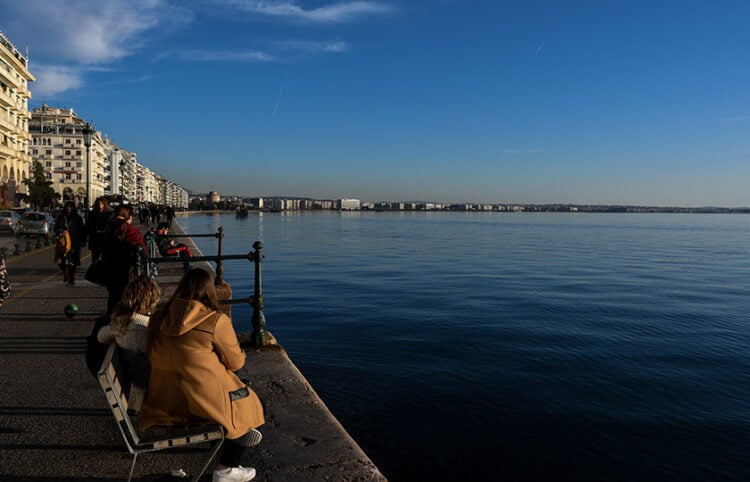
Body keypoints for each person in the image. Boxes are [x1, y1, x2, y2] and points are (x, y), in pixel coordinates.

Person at [139, 268, 264, 482]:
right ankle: (226, 468)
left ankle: (224, 452)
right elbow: (235, 363)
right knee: (252, 404)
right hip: (197, 404)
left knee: (233, 399)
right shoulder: (215, 320)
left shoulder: (159, 318)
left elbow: (151, 354)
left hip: (164, 402)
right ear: (209, 291)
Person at [96, 275, 161, 412]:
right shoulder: (144, 327)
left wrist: (113, 328)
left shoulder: (122, 324)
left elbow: (101, 337)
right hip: (156, 384)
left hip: (137, 379)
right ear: (152, 300)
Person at [101, 205, 148, 314]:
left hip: (110, 267)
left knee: (113, 297)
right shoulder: (130, 230)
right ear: (129, 217)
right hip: (127, 269)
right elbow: (142, 250)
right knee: (128, 296)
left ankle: (112, 317)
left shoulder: (109, 227)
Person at [54, 201, 85, 285]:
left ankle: (71, 278)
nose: (68, 208)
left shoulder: (77, 218)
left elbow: (82, 229)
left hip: (74, 242)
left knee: (72, 261)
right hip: (63, 242)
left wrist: (83, 241)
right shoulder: (61, 217)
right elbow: (55, 227)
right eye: (67, 206)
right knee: (60, 261)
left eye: (70, 207)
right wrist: (60, 232)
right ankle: (66, 273)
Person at [86, 197, 113, 263]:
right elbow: (88, 226)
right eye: (98, 203)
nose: (100, 205)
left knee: (105, 258)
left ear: (105, 204)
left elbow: (111, 226)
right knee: (95, 258)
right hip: (95, 239)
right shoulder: (92, 214)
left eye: (102, 203)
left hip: (105, 239)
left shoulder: (109, 214)